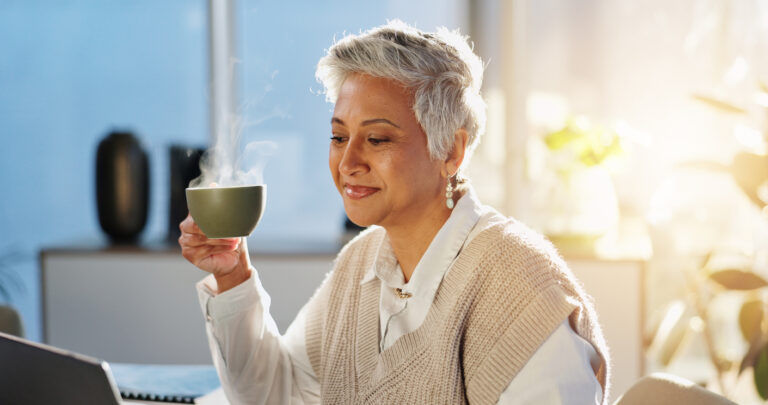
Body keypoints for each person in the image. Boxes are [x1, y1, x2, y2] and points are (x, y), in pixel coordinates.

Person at [179, 20, 610, 405]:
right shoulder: (359, 265)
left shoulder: (517, 284)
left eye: (378, 139)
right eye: (338, 136)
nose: (348, 162)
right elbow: (275, 394)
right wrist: (232, 275)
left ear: (451, 151)